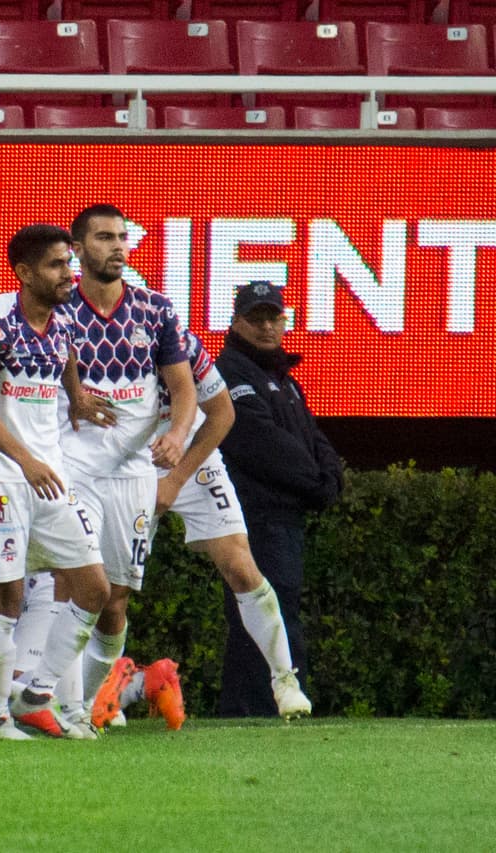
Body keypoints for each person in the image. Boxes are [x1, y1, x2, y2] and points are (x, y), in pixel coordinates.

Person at [92, 328, 312, 724]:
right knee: (111, 591)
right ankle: (101, 692)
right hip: (125, 462)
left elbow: (223, 412)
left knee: (241, 566)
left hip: (192, 460)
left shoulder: (181, 342)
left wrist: (176, 480)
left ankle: (285, 681)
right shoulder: (94, 341)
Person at [43, 204, 197, 731]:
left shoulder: (155, 311)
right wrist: (75, 396)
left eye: (123, 237)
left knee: (114, 602)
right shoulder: (59, 312)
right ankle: (61, 710)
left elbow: (184, 391)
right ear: (79, 249)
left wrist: (175, 435)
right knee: (75, 583)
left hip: (133, 474)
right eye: (104, 237)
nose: (117, 247)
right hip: (74, 467)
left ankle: (87, 705)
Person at [0, 223, 112, 740]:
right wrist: (24, 459)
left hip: (47, 474)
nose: (68, 274)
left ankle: (36, 693)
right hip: (0, 474)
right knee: (7, 600)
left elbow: (63, 368)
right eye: (56, 265)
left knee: (94, 588)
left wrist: (80, 399)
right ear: (23, 273)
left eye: (69, 263)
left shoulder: (63, 323)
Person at [214, 281, 343, 717]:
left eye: (274, 318)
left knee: (279, 607)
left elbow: (311, 436)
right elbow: (259, 442)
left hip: (283, 515)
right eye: (256, 318)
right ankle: (255, 708)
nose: (267, 327)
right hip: (256, 514)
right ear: (236, 323)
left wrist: (330, 475)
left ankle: (265, 705)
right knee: (263, 610)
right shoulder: (231, 371)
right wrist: (317, 483)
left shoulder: (279, 377)